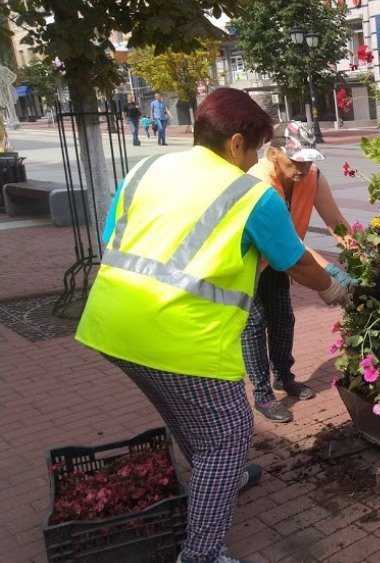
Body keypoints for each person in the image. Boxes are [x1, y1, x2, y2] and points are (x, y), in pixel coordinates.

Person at [75, 87, 355, 563]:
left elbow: (113, 238)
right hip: (180, 337)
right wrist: (336, 289)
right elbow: (297, 264)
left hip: (109, 325)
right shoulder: (250, 195)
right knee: (228, 434)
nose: (254, 161)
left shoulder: (146, 169)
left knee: (193, 419)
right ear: (236, 143)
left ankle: (222, 474)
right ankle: (201, 552)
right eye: (255, 148)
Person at [242, 121, 353, 423]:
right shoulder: (257, 185)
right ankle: (263, 395)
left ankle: (283, 377)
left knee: (282, 319)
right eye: (296, 160)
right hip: (247, 264)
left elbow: (336, 223)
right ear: (274, 154)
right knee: (254, 325)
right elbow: (288, 245)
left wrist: (357, 256)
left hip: (280, 259)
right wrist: (330, 276)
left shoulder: (311, 177)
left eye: (308, 158)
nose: (303, 166)